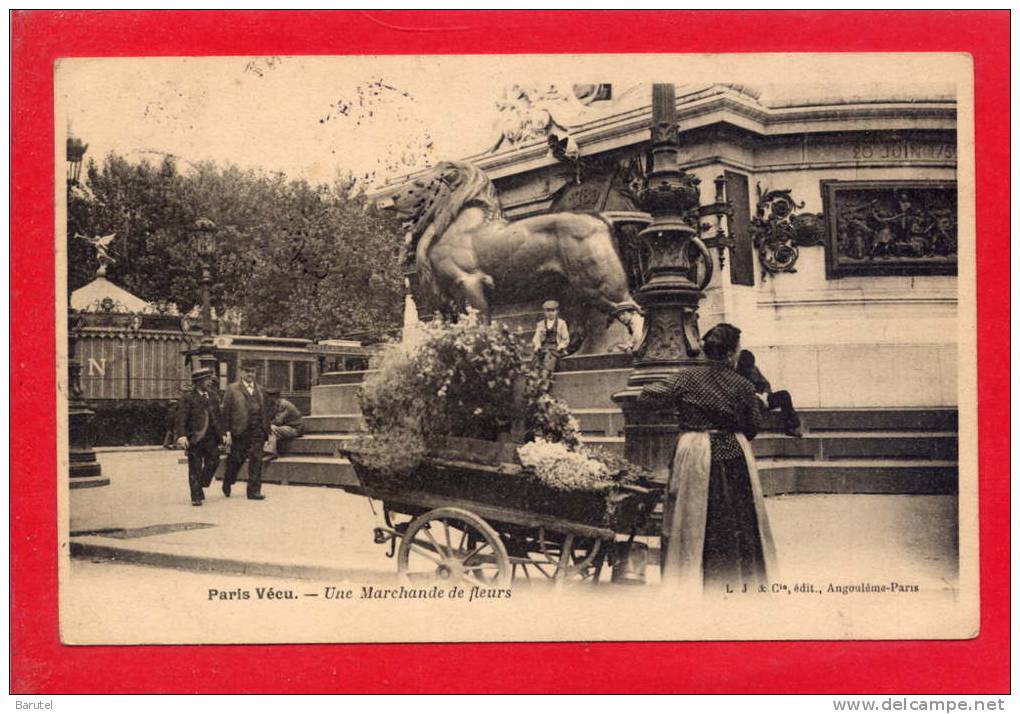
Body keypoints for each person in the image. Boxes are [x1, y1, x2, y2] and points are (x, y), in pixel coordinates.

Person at [639, 323, 777, 596]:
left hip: (695, 451)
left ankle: (691, 582)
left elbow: (648, 395)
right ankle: (736, 581)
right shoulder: (743, 385)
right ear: (731, 353)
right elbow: (752, 427)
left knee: (693, 515)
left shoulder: (687, 377)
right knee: (737, 517)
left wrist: (679, 411)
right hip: (734, 453)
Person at [174, 368, 224, 506]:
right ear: (197, 382)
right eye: (206, 380)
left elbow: (219, 417)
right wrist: (182, 436)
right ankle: (196, 496)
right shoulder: (188, 398)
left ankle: (202, 483)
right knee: (195, 467)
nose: (209, 382)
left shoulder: (213, 396)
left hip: (212, 438)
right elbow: (181, 418)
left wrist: (224, 433)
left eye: (209, 379)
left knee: (214, 461)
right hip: (195, 438)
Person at [221, 362, 269, 500]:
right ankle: (228, 480)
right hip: (240, 431)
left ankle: (254, 491)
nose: (250, 374)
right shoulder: (232, 389)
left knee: (256, 460)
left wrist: (266, 430)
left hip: (258, 431)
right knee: (236, 460)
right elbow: (226, 412)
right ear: (241, 372)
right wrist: (227, 431)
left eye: (252, 371)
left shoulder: (261, 390)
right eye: (247, 371)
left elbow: (266, 411)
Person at [736, 349, 804, 438]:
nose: (750, 370)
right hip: (751, 403)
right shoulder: (735, 374)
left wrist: (765, 394)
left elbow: (765, 384)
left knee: (784, 395)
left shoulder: (754, 369)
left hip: (763, 400)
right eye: (747, 368)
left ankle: (792, 427)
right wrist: (756, 398)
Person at [262, 387, 304, 460]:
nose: (266, 399)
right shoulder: (273, 404)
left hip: (294, 428)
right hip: (284, 427)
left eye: (268, 397)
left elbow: (278, 421)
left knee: (271, 428)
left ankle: (271, 452)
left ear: (274, 397)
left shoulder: (284, 404)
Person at [531, 299, 570, 374]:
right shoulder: (541, 324)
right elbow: (536, 337)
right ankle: (535, 376)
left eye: (552, 310)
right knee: (537, 358)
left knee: (549, 357)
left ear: (557, 311)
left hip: (555, 347)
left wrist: (561, 346)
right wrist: (537, 345)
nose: (550, 313)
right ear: (544, 312)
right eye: (548, 311)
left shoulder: (561, 323)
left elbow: (565, 338)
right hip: (544, 346)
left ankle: (546, 376)